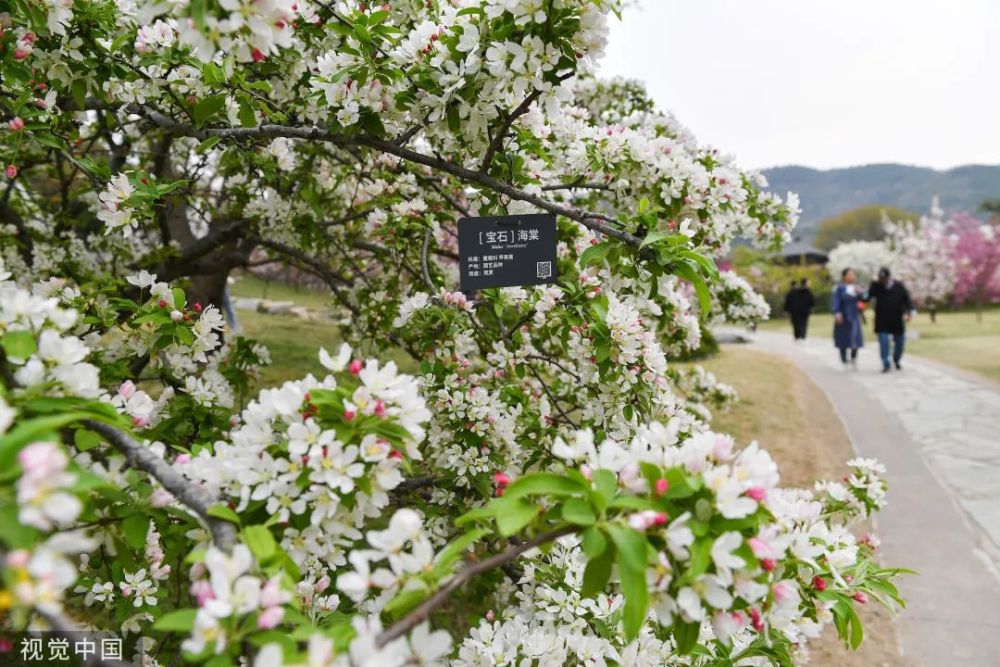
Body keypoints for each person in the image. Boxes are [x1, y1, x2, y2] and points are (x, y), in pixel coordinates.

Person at [866, 267, 914, 372]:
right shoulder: (876, 286)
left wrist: (908, 312)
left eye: (884, 279)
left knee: (900, 342)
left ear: (889, 277)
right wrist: (872, 284)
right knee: (883, 342)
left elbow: (907, 300)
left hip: (896, 318)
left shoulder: (898, 286)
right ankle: (885, 363)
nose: (883, 281)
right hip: (882, 319)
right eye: (881, 279)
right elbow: (867, 297)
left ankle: (896, 360)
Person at [831, 268, 864, 368]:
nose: (853, 276)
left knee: (855, 336)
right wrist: (837, 312)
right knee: (843, 337)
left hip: (854, 316)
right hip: (843, 315)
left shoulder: (857, 287)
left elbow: (864, 299)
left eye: (854, 274)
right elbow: (835, 300)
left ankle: (854, 357)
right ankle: (843, 357)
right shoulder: (839, 288)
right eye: (850, 274)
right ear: (845, 276)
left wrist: (860, 293)